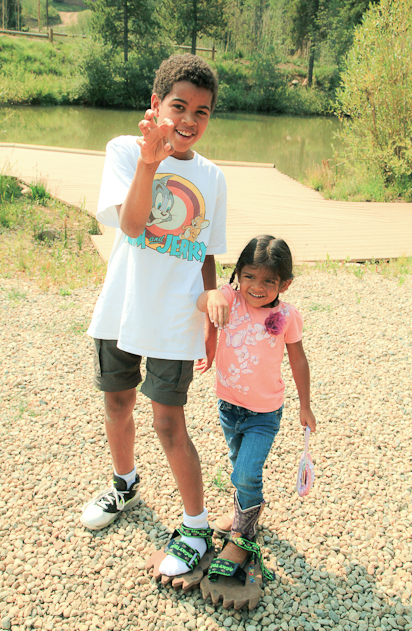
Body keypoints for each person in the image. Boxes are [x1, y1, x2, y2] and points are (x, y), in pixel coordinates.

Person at [81, 54, 227, 579]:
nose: (189, 121)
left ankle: (196, 527)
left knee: (169, 421)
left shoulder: (213, 177)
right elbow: (136, 227)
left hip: (175, 316)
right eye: (179, 106)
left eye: (202, 112)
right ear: (155, 104)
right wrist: (150, 161)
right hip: (123, 305)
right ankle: (125, 483)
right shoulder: (124, 151)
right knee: (118, 403)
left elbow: (208, 251)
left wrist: (210, 319)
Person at [197, 235, 316, 599]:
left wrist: (305, 404)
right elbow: (204, 304)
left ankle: (244, 536)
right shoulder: (229, 298)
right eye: (249, 276)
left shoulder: (286, 316)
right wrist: (212, 297)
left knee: (245, 472)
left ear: (285, 284)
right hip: (228, 405)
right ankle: (243, 512)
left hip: (265, 412)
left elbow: (298, 359)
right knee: (237, 465)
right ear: (238, 274)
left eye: (268, 281)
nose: (257, 287)